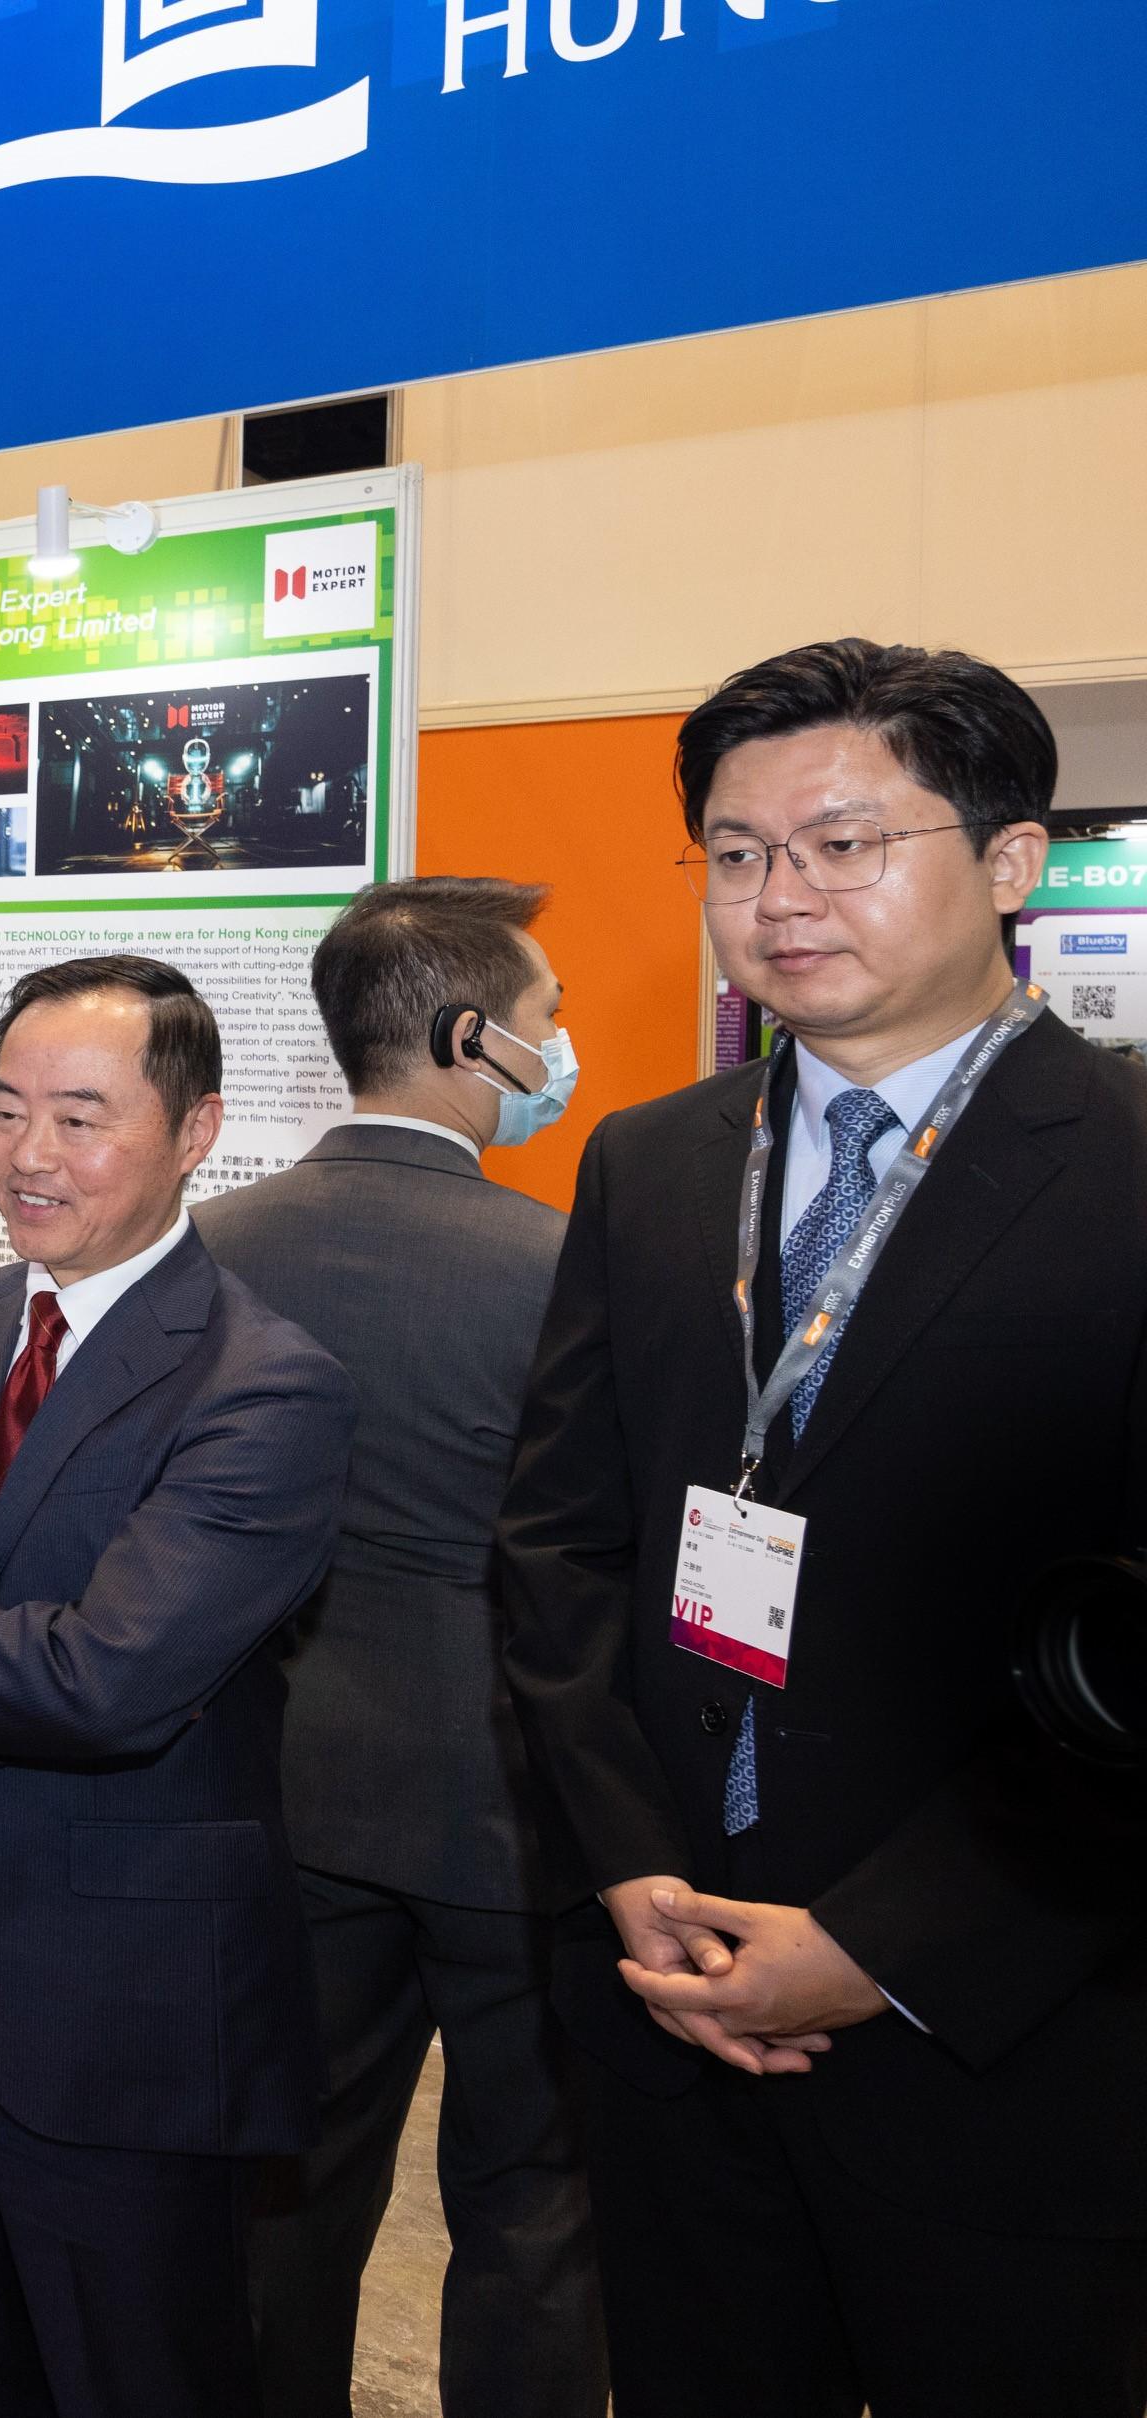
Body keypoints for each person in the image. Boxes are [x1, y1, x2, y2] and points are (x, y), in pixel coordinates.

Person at [497, 640, 1147, 2416]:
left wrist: (878, 1946)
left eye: (841, 843)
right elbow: (556, 1547)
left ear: (1007, 862)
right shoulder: (650, 1160)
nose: (775, 898)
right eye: (731, 852)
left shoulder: (1117, 1167)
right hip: (664, 1995)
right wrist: (630, 1872)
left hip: (998, 2030)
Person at [0, 954, 355, 2418]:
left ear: (198, 1129)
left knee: (139, 2371)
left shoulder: (263, 1382)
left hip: (128, 1997)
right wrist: (10, 1637)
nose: (28, 1155)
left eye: (81, 1116)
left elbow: (110, 1679)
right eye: (3, 1107)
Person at [196, 879, 605, 2418]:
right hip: (513, 1806)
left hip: (284, 1791)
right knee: (536, 2208)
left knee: (285, 2195)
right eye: (547, 1015)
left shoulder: (210, 1247)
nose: (562, 1043)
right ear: (467, 1034)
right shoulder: (560, 1260)